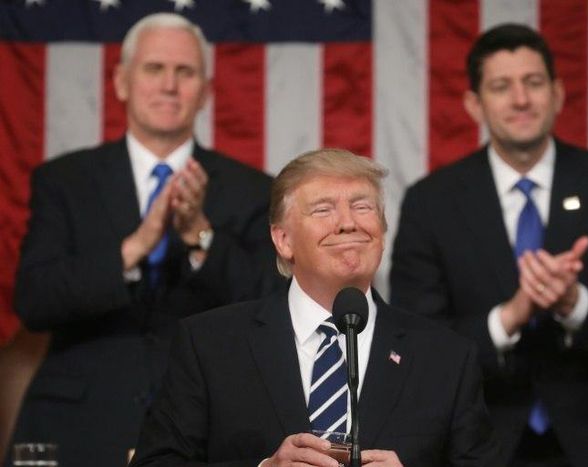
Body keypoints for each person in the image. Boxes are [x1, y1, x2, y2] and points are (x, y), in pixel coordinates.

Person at [390, 23, 588, 467]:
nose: (520, 99)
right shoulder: (431, 202)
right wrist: (510, 317)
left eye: (534, 83)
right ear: (474, 104)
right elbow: (414, 350)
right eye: (501, 86)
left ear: (558, 94)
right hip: (476, 442)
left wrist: (573, 303)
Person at [7, 13, 281, 467]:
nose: (169, 85)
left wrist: (200, 235)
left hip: (207, 426)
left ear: (206, 92)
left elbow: (271, 307)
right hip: (79, 425)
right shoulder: (64, 180)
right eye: (154, 69)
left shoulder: (252, 189)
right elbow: (35, 300)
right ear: (121, 82)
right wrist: (133, 247)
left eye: (185, 72)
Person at [129, 148, 497, 466]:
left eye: (362, 206)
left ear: (382, 233)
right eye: (323, 209)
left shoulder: (446, 358)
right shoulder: (210, 344)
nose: (347, 222)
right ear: (283, 240)